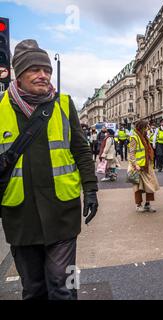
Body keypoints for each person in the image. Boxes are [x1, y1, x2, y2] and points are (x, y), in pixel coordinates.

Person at [0, 39, 98, 300]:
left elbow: (81, 150)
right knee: (33, 290)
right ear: (18, 74)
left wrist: (90, 189)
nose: (43, 75)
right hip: (20, 215)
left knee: (63, 286)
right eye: (35, 69)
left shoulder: (64, 104)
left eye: (47, 70)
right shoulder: (0, 108)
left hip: (62, 213)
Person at [129, 120, 160, 212]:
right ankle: (138, 205)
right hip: (138, 167)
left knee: (150, 185)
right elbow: (131, 153)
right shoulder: (134, 137)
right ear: (142, 127)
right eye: (147, 126)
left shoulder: (145, 136)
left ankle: (148, 204)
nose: (148, 128)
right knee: (138, 187)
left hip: (147, 165)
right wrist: (135, 164)